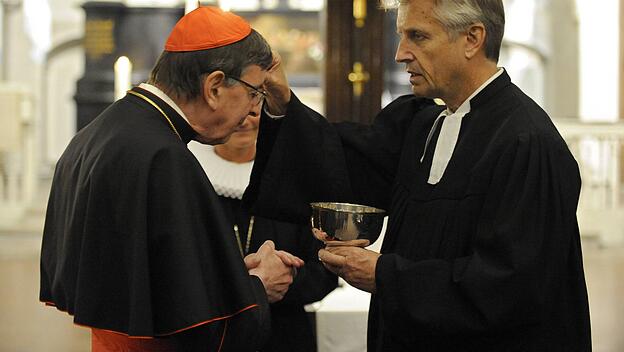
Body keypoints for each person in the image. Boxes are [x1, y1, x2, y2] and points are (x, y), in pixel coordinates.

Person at [243, 0, 592, 351]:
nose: (400, 54)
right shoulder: (425, 125)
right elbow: (343, 167)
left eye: (418, 36)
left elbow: (511, 287)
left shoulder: (527, 144)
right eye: (401, 36)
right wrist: (283, 102)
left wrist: (384, 275)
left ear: (472, 38)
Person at [39, 6, 304, 351]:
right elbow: (196, 328)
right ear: (214, 87)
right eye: (254, 92)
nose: (255, 109)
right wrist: (257, 285)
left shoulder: (99, 133)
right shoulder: (165, 159)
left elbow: (149, 279)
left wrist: (232, 275)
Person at [188, 111, 338, 352]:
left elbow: (325, 273)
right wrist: (254, 286)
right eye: (234, 111)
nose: (244, 120)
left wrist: (286, 277)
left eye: (253, 111)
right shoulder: (190, 183)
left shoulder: (295, 182)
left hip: (285, 335)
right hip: (214, 335)